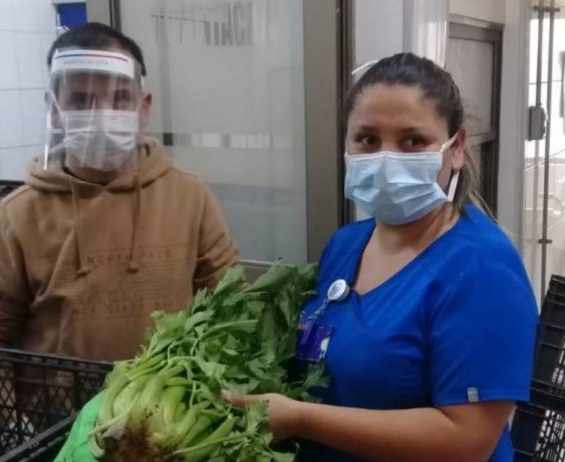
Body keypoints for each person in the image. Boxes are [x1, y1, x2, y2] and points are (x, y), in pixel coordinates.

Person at [225, 53, 538, 461]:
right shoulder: (345, 246)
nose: (386, 159)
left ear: (457, 147)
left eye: (413, 141)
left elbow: (467, 441)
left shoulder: (480, 268)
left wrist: (301, 419)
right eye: (368, 139)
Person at [0, 23, 240, 362]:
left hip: (169, 396)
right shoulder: (17, 216)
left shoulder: (190, 198)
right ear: (54, 110)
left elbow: (231, 304)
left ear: (144, 106)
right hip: (58, 398)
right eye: (80, 100)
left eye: (120, 98)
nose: (102, 116)